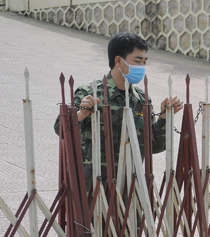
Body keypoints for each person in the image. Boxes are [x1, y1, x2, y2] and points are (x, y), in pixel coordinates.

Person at [54, 31, 184, 191]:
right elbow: (59, 128)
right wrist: (81, 115)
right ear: (118, 61)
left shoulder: (142, 100)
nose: (142, 67)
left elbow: (153, 146)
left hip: (130, 187)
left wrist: (164, 117)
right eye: (137, 61)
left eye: (144, 61)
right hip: (95, 187)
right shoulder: (90, 93)